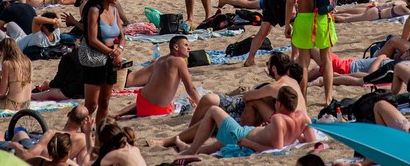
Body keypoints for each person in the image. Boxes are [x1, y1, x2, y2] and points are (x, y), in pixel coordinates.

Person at [176, 85, 313, 156]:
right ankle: (188, 147)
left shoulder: (278, 120)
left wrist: (249, 144)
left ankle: (191, 150)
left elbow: (275, 150)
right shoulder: (304, 118)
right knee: (215, 146)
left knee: (213, 110)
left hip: (242, 135)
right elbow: (310, 140)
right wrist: (294, 136)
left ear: (280, 104)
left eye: (276, 101)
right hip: (246, 133)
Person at [112, 35, 200, 118]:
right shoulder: (179, 61)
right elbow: (191, 89)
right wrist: (202, 107)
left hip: (141, 102)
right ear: (176, 47)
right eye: (186, 45)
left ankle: (118, 113)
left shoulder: (160, 60)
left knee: (156, 100)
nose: (189, 48)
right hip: (155, 110)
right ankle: (119, 114)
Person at [81, 0, 125, 125]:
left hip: (111, 58)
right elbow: (92, 39)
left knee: (105, 102)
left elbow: (122, 36)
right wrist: (112, 53)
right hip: (95, 59)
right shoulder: (94, 10)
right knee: (91, 105)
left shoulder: (114, 10)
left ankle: (100, 133)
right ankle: (77, 129)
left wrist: (119, 49)